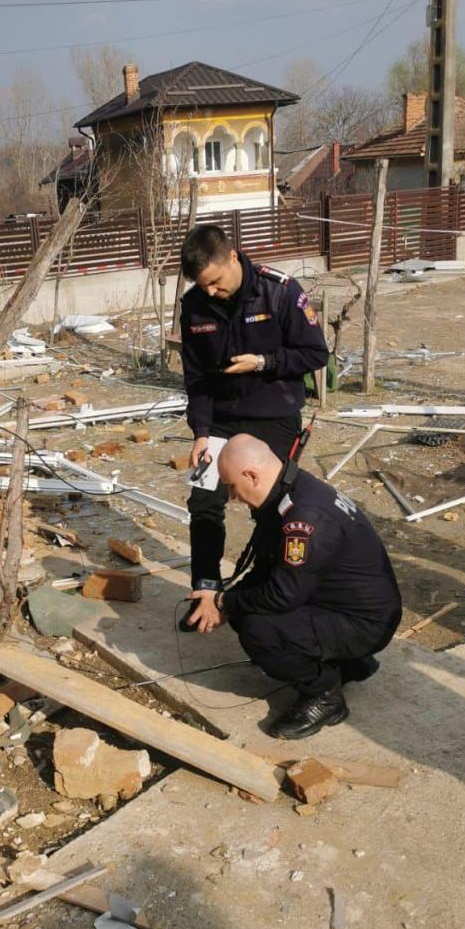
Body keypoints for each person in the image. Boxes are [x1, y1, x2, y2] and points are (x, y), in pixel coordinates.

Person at [198, 434, 402, 739]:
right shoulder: (290, 488)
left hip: (363, 624)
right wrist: (224, 598)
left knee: (258, 628)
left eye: (231, 486)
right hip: (352, 607)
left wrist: (225, 604)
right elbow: (269, 567)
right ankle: (351, 664)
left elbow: (282, 595)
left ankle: (323, 694)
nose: (231, 496)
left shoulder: (304, 517)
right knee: (247, 603)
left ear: (251, 475)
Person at [178, 223, 329, 633]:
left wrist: (263, 363)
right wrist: (201, 433)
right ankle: (205, 595)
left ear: (232, 257)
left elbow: (316, 353)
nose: (210, 291)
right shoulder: (194, 306)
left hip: (274, 417)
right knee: (204, 503)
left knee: (272, 509)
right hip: (223, 421)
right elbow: (197, 379)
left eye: (215, 281)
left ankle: (267, 595)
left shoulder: (278, 291)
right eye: (201, 285)